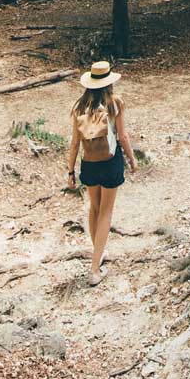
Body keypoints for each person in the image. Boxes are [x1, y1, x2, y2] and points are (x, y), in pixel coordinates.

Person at [65, 60, 136, 286]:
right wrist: (132, 159)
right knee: (106, 212)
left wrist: (70, 171)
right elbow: (122, 136)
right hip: (110, 162)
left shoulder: (79, 107)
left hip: (89, 163)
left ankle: (98, 251)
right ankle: (95, 269)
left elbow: (75, 143)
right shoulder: (115, 104)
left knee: (94, 209)